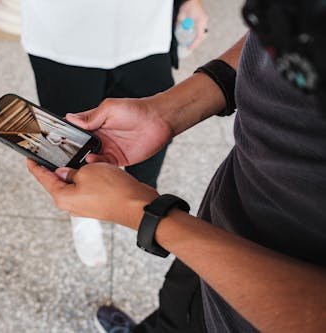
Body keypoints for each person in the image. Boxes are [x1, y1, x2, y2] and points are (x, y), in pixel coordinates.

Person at [26, 1, 326, 332]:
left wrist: (145, 214)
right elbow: (293, 38)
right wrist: (169, 111)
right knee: (173, 310)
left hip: (253, 307)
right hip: (213, 233)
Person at [20, 0, 208, 267]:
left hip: (147, 26)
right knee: (69, 136)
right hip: (62, 29)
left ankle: (143, 193)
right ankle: (83, 215)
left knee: (154, 128)